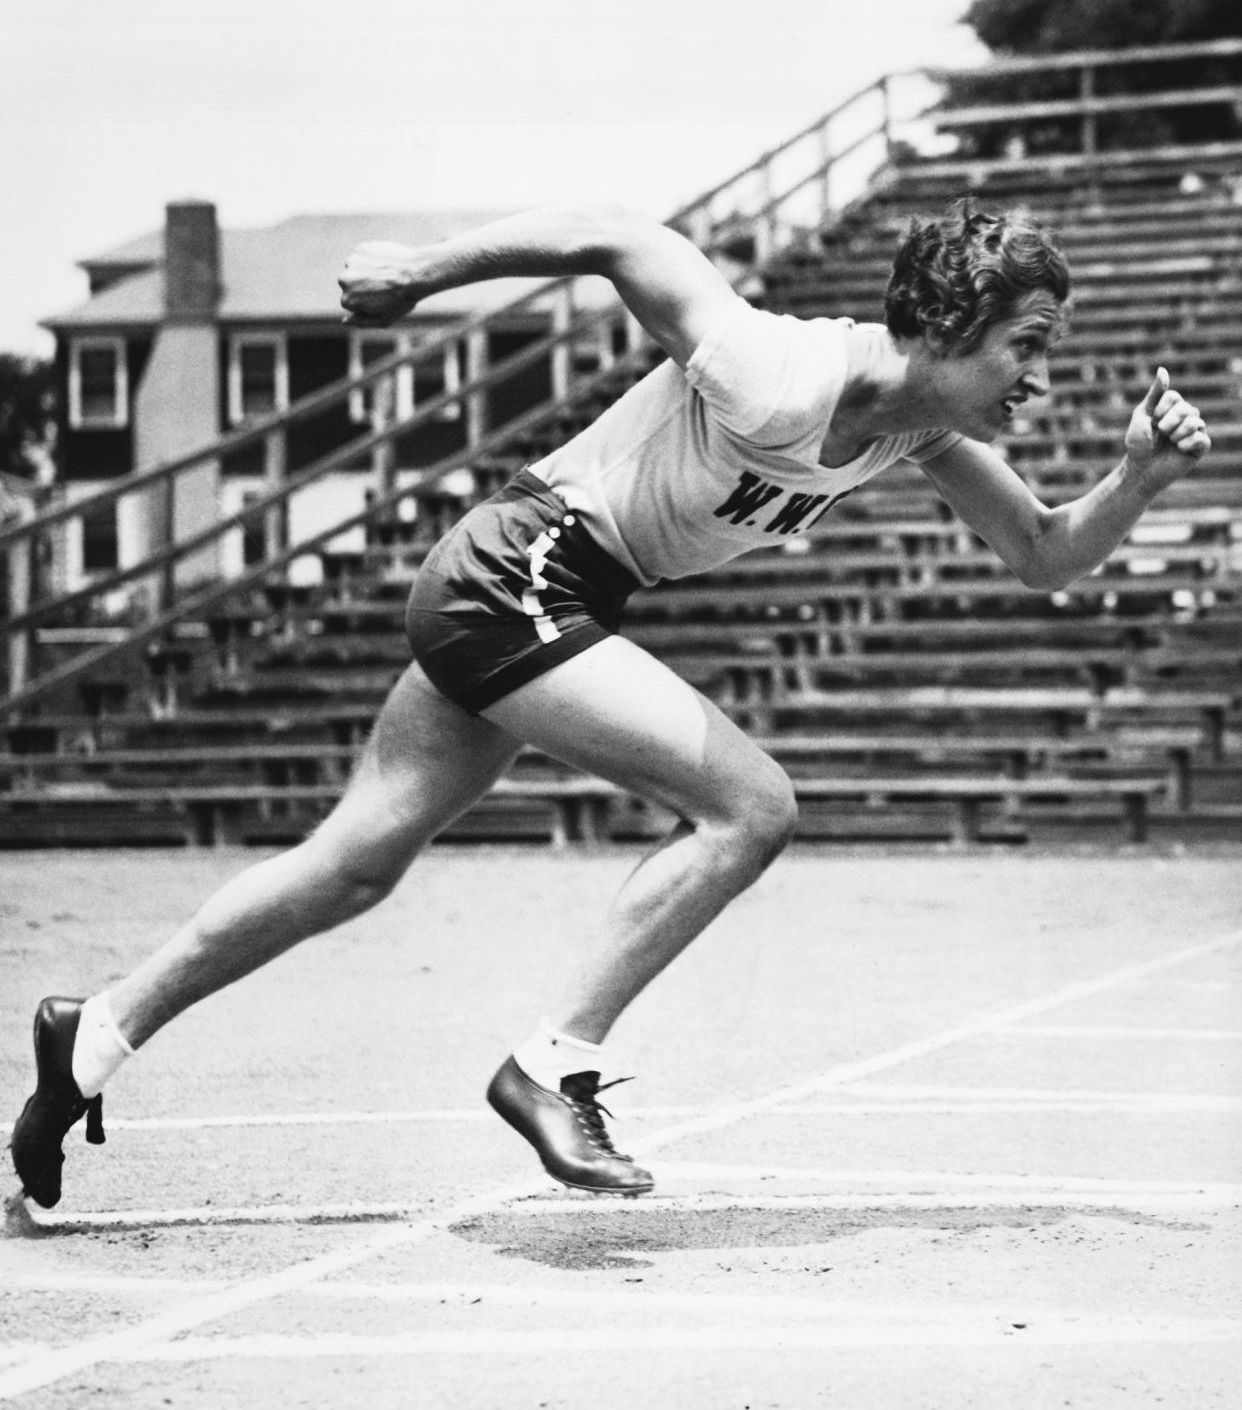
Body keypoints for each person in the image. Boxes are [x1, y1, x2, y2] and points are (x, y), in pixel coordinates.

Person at [9, 198, 1212, 1208]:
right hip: (520, 568)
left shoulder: (914, 434)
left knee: (353, 863)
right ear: (948, 326)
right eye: (1028, 346)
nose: (1043, 379)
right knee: (751, 805)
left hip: (544, 581)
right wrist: (422, 275)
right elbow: (622, 237)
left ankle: (94, 1032)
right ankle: (553, 1064)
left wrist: (1140, 474)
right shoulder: (775, 367)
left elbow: (1048, 556)